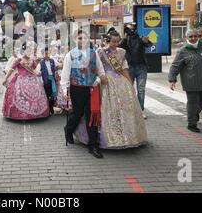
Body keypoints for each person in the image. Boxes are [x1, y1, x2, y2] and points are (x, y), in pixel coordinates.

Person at [75, 31, 148, 149]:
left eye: (118, 41)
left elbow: (124, 69)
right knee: (106, 108)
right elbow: (95, 67)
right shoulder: (101, 52)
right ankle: (103, 136)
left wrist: (130, 83)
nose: (116, 44)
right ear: (108, 41)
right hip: (104, 81)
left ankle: (127, 136)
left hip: (120, 81)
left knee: (124, 108)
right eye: (113, 41)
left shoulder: (122, 52)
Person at [61, 30, 107, 159]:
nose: (83, 40)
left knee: (92, 115)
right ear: (75, 40)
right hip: (77, 89)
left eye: (85, 38)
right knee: (77, 113)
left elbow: (101, 70)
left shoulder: (94, 54)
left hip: (92, 89)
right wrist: (65, 91)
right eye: (80, 38)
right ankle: (68, 130)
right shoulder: (70, 55)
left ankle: (93, 145)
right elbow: (65, 75)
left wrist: (97, 81)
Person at [168, 29, 202, 133]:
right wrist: (172, 79)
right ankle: (191, 124)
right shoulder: (182, 50)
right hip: (190, 81)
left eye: (195, 36)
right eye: (190, 37)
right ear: (186, 38)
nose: (193, 38)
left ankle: (194, 114)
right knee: (193, 103)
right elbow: (175, 65)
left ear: (198, 36)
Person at [2, 42, 49, 120]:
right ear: (23, 50)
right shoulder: (19, 60)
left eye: (30, 50)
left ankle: (36, 112)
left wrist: (40, 70)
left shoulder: (32, 60)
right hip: (20, 79)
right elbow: (11, 69)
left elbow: (36, 69)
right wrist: (5, 78)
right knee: (18, 94)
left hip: (33, 79)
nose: (29, 51)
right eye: (28, 49)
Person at [119, 23, 152, 119]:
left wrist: (147, 41)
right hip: (130, 68)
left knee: (141, 90)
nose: (131, 31)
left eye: (133, 28)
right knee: (129, 90)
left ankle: (140, 111)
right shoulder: (125, 40)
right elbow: (120, 47)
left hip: (141, 68)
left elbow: (148, 44)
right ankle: (130, 110)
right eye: (129, 29)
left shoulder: (140, 38)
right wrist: (125, 37)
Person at [35, 49, 57, 116]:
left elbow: (57, 66)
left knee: (53, 94)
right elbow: (37, 72)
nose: (47, 55)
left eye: (48, 54)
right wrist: (40, 73)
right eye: (45, 54)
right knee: (47, 95)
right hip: (46, 81)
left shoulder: (52, 61)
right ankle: (47, 109)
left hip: (52, 80)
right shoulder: (40, 63)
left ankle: (51, 108)